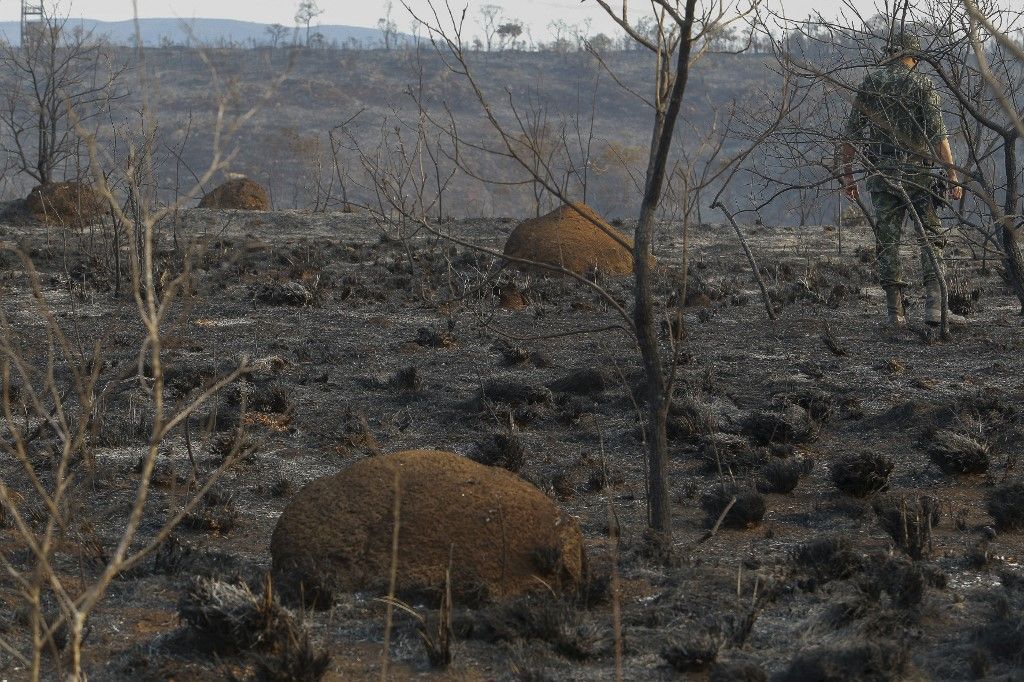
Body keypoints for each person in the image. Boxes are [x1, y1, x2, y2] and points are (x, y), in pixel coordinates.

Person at [839, 32, 965, 327]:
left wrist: (848, 177)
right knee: (931, 237)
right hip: (917, 175)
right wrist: (952, 176)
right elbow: (939, 137)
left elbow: (851, 138)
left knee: (887, 241)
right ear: (914, 56)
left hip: (881, 175)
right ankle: (935, 307)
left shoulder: (870, 83)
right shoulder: (922, 85)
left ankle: (894, 313)